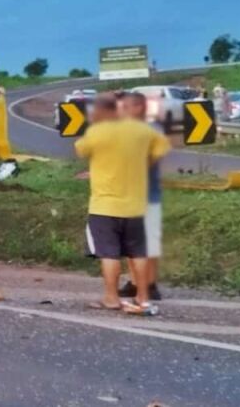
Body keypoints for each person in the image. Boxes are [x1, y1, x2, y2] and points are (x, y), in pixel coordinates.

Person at [75, 95, 170, 315]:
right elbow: (161, 147)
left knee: (109, 254)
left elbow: (80, 149)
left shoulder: (98, 131)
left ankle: (111, 298)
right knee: (139, 253)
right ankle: (143, 297)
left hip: (105, 206)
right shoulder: (143, 131)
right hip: (136, 205)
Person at [117, 92, 164, 301]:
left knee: (144, 242)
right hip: (137, 195)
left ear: (137, 108)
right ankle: (137, 282)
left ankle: (149, 284)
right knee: (135, 242)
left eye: (125, 107)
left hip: (142, 195)